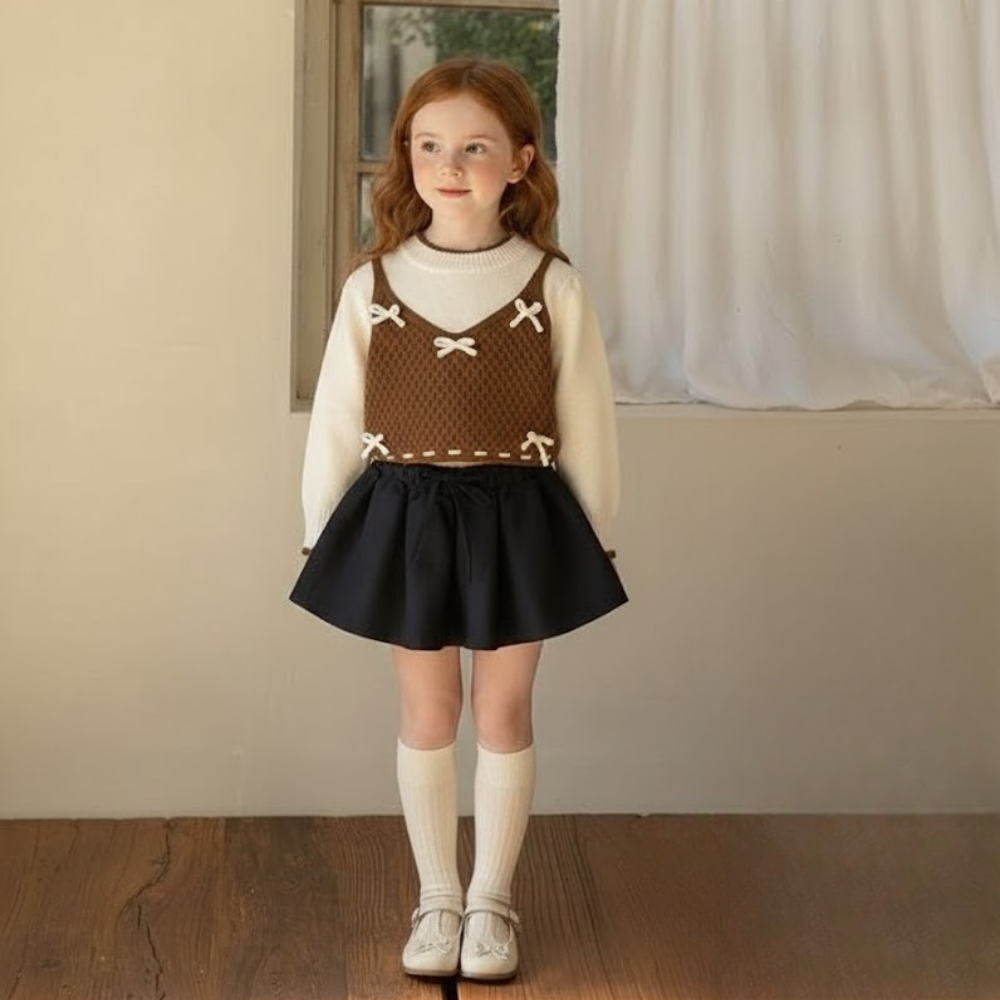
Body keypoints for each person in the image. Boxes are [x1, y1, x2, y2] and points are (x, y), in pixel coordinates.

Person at [290, 57, 627, 982]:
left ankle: (492, 903)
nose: (450, 165)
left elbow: (587, 417)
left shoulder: (553, 286)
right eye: (430, 145)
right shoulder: (373, 283)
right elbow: (337, 417)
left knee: (505, 711)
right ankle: (438, 897)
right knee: (429, 709)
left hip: (521, 517)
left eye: (476, 147)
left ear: (520, 161)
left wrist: (594, 534)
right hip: (407, 515)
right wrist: (321, 526)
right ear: (406, 154)